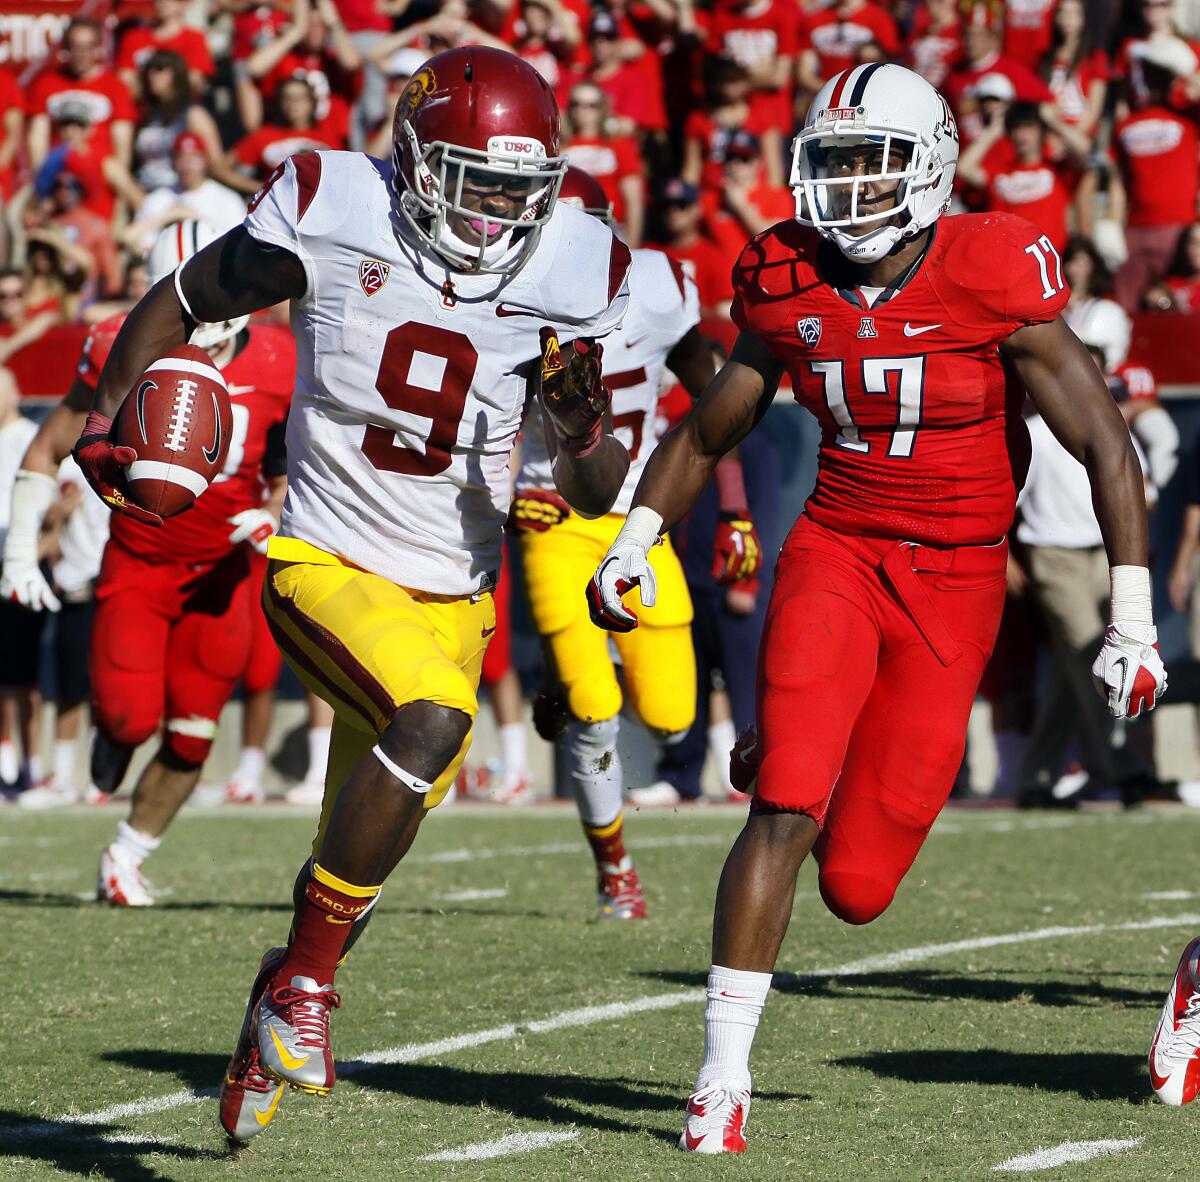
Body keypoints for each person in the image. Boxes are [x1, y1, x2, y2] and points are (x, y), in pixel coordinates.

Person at [586, 62, 1167, 1153]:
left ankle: (806, 739)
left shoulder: (994, 264)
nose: (850, 186)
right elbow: (712, 425)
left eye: (874, 163)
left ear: (934, 166)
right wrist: (634, 537)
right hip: (839, 552)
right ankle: (719, 1079)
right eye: (837, 161)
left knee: (855, 887)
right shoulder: (785, 275)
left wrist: (1129, 614)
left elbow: (1102, 441)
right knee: (786, 807)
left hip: (955, 583)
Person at [68, 47, 632, 1142]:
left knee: (353, 860)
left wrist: (581, 424)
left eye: (524, 186)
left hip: (454, 593)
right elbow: (186, 294)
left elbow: (596, 489)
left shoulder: (575, 262)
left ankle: (277, 998)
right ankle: (305, 992)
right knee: (430, 722)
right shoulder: (337, 203)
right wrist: (105, 415)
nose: (502, 209)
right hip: (324, 561)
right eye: (479, 179)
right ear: (418, 160)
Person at [0, 220, 293, 895]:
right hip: (137, 562)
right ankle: (114, 736)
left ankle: (127, 855)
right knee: (128, 718)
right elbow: (47, 447)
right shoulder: (114, 345)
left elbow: (292, 459)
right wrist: (19, 551)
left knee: (192, 736)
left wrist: (276, 512)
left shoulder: (279, 358)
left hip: (221, 573)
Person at [515, 166, 752, 915]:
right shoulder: (505, 297)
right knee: (593, 708)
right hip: (554, 522)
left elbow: (716, 400)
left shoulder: (656, 285)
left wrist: (737, 507)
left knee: (675, 712)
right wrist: (506, 502)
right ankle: (615, 866)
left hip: (639, 523)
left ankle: (561, 680)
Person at [0, 367, 42, 793]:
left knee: (25, 673)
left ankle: (32, 763)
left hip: (21, 561)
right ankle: (5, 759)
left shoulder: (30, 436)